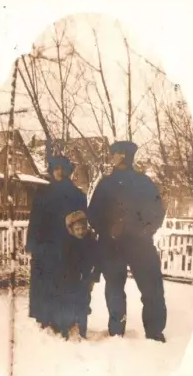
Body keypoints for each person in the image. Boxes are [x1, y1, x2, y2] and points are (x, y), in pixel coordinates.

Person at [87, 141, 167, 342]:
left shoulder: (144, 183)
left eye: (116, 154)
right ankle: (116, 332)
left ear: (123, 157)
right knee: (114, 288)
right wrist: (107, 229)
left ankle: (154, 332)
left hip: (140, 245)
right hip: (111, 245)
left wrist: (144, 230)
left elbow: (157, 212)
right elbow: (93, 214)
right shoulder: (105, 184)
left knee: (152, 288)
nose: (113, 158)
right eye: (113, 154)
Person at [26, 155, 87, 331]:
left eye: (63, 169)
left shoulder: (77, 194)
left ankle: (64, 321)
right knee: (45, 281)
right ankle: (45, 318)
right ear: (52, 171)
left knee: (65, 281)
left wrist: (80, 242)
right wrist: (32, 243)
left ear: (69, 171)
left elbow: (82, 221)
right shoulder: (42, 193)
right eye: (56, 168)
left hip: (67, 245)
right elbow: (35, 219)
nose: (59, 172)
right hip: (45, 245)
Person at [57, 210, 101, 341]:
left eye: (83, 228)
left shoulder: (91, 242)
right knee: (68, 304)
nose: (81, 231)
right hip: (70, 279)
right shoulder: (67, 243)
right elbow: (63, 263)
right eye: (77, 229)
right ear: (71, 229)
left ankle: (82, 331)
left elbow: (97, 261)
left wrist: (93, 278)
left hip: (85, 279)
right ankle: (66, 330)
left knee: (83, 304)